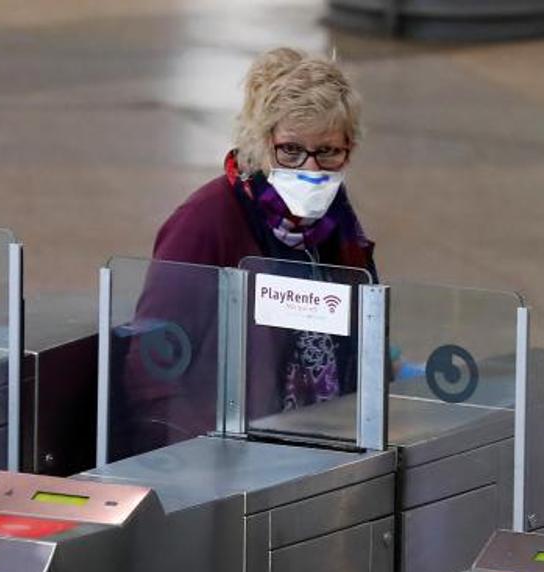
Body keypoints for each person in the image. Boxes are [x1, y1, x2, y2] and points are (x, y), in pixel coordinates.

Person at [114, 49, 376, 456]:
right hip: (228, 455)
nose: (312, 168)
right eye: (290, 150)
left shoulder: (337, 224)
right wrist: (179, 464)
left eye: (328, 151)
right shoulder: (206, 220)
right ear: (261, 144)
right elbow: (151, 364)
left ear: (349, 148)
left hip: (324, 445)